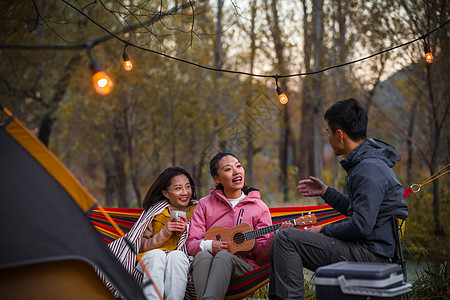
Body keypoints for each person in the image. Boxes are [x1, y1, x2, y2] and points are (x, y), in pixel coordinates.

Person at [269, 98, 409, 300]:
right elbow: (358, 210)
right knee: (282, 240)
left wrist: (322, 229)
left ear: (339, 135)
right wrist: (326, 192)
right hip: (368, 249)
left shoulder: (368, 169)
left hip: (371, 256)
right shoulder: (368, 162)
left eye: (327, 132)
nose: (327, 137)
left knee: (286, 239)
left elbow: (361, 225)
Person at [186, 152, 292, 300]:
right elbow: (191, 244)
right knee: (202, 255)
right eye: (228, 169)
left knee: (224, 256)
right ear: (216, 178)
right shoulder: (205, 204)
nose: (236, 171)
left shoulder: (258, 207)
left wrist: (275, 236)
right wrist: (210, 245)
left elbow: (262, 256)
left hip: (244, 267)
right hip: (209, 264)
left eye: (238, 166)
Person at [108, 166, 198, 300]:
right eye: (178, 188)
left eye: (188, 187)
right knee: (157, 255)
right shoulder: (156, 211)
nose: (185, 192)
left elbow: (203, 241)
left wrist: (189, 229)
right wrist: (165, 232)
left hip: (184, 265)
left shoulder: (198, 210)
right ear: (166, 193)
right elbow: (140, 245)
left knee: (176, 257)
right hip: (150, 264)